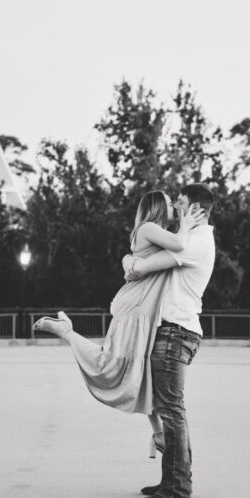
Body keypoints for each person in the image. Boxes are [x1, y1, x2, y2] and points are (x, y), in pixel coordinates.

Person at [33, 190, 207, 457]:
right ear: (158, 206)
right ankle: (66, 331)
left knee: (142, 372)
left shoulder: (155, 233)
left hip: (145, 312)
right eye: (170, 203)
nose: (174, 206)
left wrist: (130, 259)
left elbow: (144, 257)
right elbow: (180, 245)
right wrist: (185, 226)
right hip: (134, 310)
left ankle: (159, 434)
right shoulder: (149, 227)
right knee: (111, 364)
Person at [124, 183, 216, 498]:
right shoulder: (194, 238)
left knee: (173, 413)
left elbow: (144, 266)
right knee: (171, 411)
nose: (176, 206)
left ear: (197, 210)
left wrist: (130, 263)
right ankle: (171, 482)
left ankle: (176, 490)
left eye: (181, 202)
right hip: (175, 331)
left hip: (176, 332)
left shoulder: (196, 243)